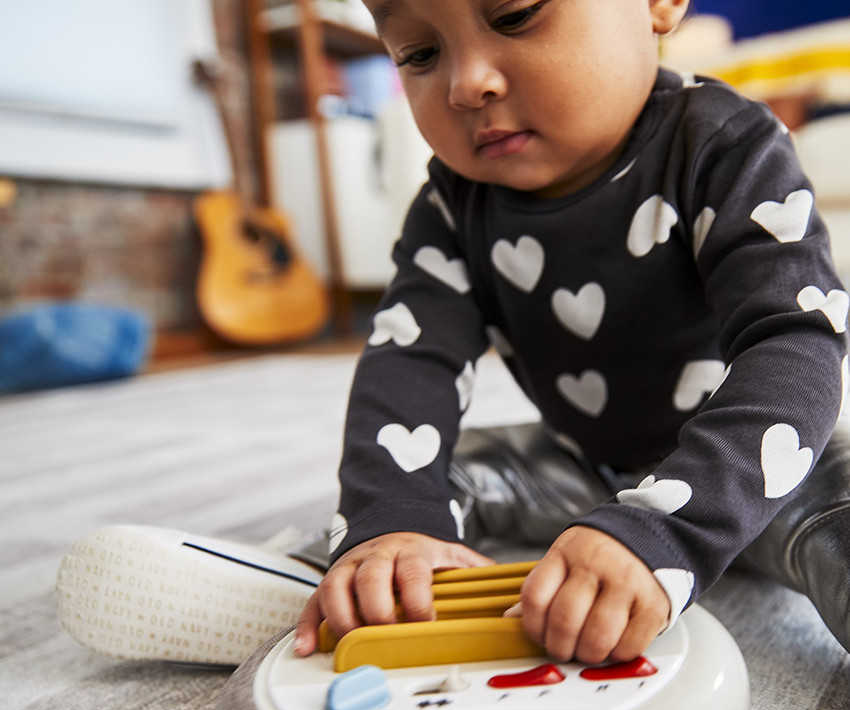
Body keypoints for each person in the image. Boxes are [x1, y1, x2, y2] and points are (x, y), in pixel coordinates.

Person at [292, 0, 850, 663]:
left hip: (756, 466)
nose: (466, 84)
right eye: (419, 53)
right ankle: (340, 578)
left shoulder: (726, 144)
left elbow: (793, 344)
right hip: (575, 466)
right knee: (406, 485)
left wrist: (665, 526)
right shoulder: (450, 202)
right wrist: (394, 523)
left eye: (515, 15)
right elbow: (413, 359)